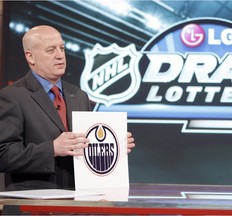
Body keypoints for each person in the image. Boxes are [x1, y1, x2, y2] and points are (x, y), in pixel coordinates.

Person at [0, 25, 136, 191]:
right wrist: (52, 149)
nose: (60, 55)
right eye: (51, 50)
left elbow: (85, 144)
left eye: (62, 48)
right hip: (32, 204)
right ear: (31, 57)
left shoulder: (79, 95)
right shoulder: (12, 96)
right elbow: (4, 154)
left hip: (76, 202)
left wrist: (113, 144)